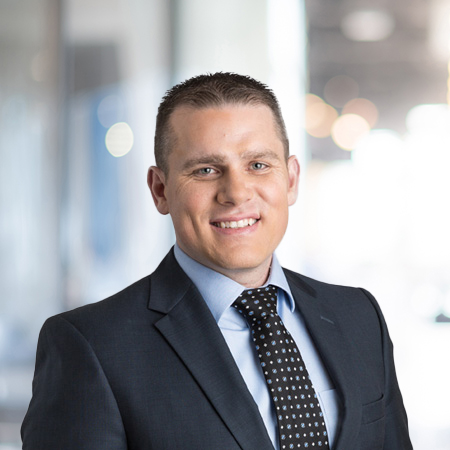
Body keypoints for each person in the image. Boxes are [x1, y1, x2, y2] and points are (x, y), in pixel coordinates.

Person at [22, 73, 412, 450]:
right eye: (206, 170)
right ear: (160, 190)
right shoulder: (91, 345)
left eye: (258, 165)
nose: (236, 193)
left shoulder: (359, 317)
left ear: (291, 179)